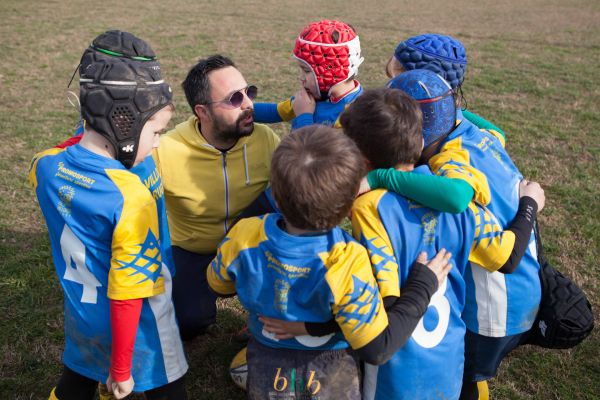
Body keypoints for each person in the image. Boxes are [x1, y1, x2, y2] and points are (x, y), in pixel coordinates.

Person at [208, 125, 453, 399]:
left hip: (266, 361)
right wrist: (422, 287)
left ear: (274, 194)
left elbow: (218, 285)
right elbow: (377, 348)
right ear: (350, 203)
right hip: (331, 373)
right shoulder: (348, 260)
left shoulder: (244, 235)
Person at [340, 87, 544, 399]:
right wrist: (529, 204)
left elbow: (384, 307)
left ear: (361, 159)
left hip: (396, 369)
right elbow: (506, 254)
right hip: (450, 356)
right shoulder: (459, 199)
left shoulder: (368, 208)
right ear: (420, 142)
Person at [29, 30, 188, 400]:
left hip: (83, 314)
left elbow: (69, 147)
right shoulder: (131, 197)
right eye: (157, 131)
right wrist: (121, 370)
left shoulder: (46, 167)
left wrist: (91, 126)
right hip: (140, 319)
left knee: (78, 379)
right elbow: (129, 292)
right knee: (168, 386)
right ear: (125, 125)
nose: (160, 141)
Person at [153, 55, 280, 340]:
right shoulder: (166, 149)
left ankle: (262, 313)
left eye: (250, 92)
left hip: (251, 245)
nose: (249, 104)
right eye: (235, 98)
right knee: (188, 323)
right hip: (192, 250)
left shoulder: (266, 138)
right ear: (203, 111)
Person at [385, 33, 506, 138]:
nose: (391, 88)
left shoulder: (419, 131)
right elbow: (497, 133)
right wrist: (451, 109)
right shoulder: (450, 120)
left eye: (398, 82)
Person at [253, 19, 364, 130]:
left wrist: (304, 116)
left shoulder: (352, 115)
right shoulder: (316, 97)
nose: (301, 77)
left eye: (306, 70)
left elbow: (309, 146)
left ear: (331, 71)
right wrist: (241, 110)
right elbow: (275, 111)